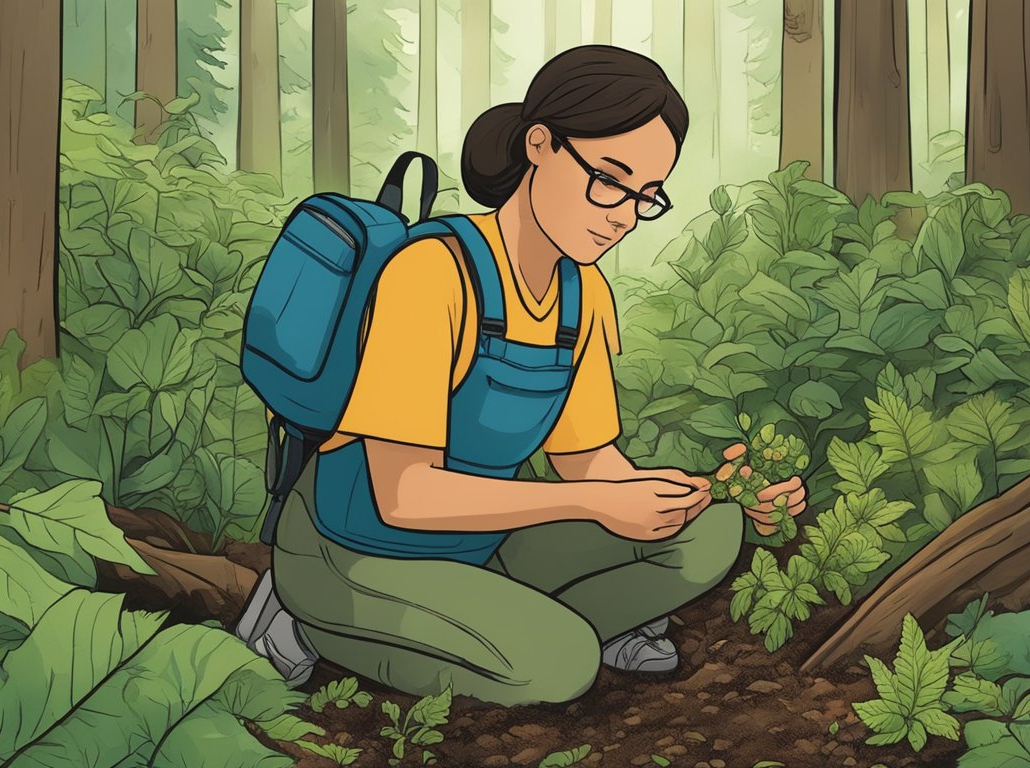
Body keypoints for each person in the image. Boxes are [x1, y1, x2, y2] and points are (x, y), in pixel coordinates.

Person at [235, 44, 808, 707]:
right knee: (559, 665)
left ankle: (503, 617)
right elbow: (404, 495)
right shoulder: (433, 275)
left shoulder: (582, 292)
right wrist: (591, 506)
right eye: (609, 180)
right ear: (541, 144)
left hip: (481, 544)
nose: (622, 213)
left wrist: (718, 491)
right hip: (358, 551)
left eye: (645, 197)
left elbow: (587, 462)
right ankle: (303, 620)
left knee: (711, 533)